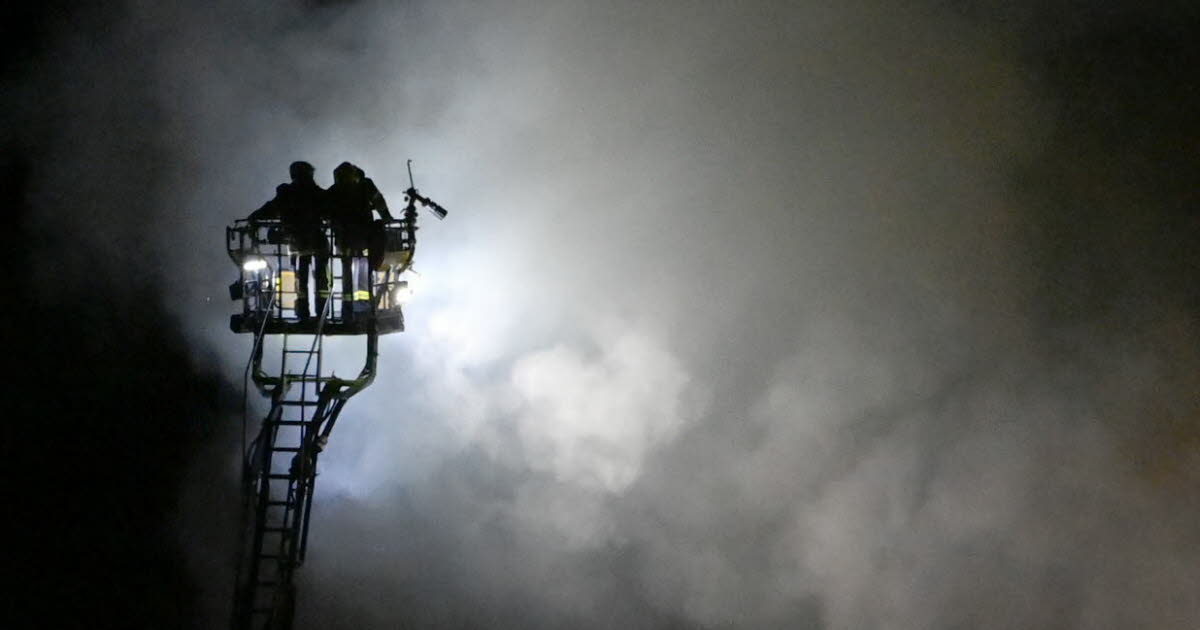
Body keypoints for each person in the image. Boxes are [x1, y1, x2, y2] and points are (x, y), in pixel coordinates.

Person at [251, 161, 330, 320]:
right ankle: (322, 311)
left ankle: (303, 312)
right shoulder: (318, 194)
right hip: (317, 242)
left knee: (300, 280)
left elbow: (270, 209)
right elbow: (330, 213)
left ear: (293, 174)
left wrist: (253, 219)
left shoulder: (286, 193)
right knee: (322, 278)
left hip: (297, 243)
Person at [326, 162, 392, 322]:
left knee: (348, 273)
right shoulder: (365, 185)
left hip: (345, 241)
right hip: (363, 239)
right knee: (364, 271)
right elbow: (379, 202)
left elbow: (324, 210)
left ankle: (348, 311)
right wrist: (386, 218)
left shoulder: (334, 191)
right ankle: (364, 307)